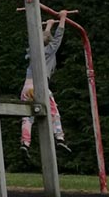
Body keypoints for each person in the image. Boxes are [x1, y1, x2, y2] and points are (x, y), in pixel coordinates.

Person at [21, 9, 71, 154]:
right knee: (54, 112)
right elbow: (58, 37)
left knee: (27, 116)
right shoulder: (49, 50)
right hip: (40, 86)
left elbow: (42, 38)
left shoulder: (33, 51)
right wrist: (62, 18)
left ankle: (25, 142)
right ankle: (59, 137)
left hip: (27, 87)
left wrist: (48, 26)